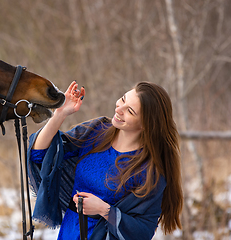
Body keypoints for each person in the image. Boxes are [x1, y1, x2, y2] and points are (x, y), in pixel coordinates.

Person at [27, 81, 183, 239]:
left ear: (146, 124)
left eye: (129, 111)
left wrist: (105, 210)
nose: (119, 109)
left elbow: (143, 231)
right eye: (122, 99)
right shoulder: (96, 131)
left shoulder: (149, 170)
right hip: (69, 232)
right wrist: (60, 114)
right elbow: (39, 154)